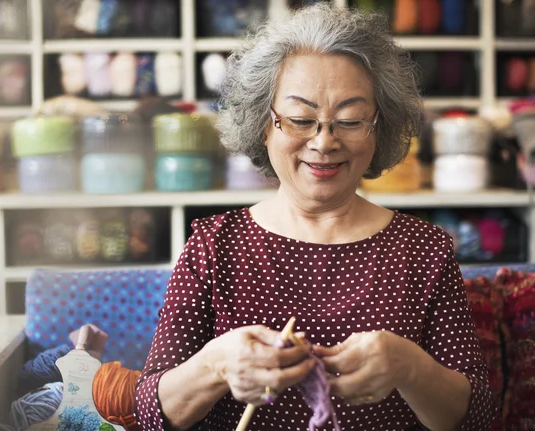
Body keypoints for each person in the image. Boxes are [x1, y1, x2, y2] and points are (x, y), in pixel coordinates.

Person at [134, 4, 495, 430]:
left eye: (349, 120)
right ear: (263, 125)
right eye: (302, 120)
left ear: (379, 127)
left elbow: (477, 417)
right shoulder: (216, 246)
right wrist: (214, 366)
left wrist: (410, 367)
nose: (324, 142)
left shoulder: (423, 250)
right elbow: (149, 412)